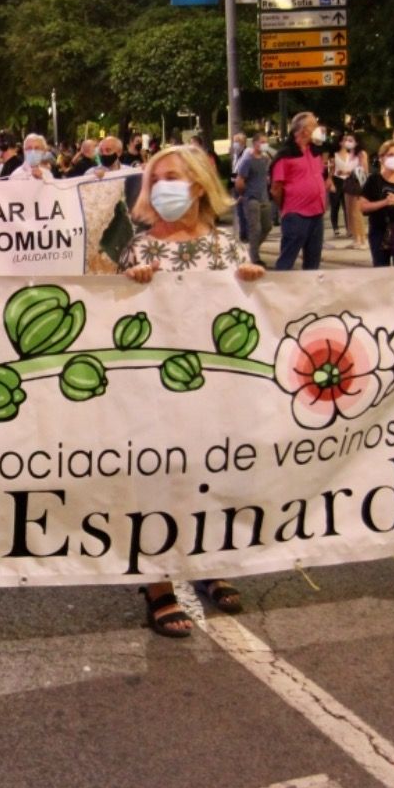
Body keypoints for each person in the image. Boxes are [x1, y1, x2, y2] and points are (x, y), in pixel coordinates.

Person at [118, 145, 263, 629]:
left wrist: (253, 283)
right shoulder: (139, 249)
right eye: (155, 179)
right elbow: (117, 322)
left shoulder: (227, 248)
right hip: (154, 388)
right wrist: (131, 284)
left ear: (199, 185)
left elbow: (253, 315)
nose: (162, 188)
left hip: (215, 387)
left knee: (212, 472)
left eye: (172, 177)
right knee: (157, 479)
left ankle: (210, 564)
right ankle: (157, 582)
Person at [270, 112, 330, 271]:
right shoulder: (285, 155)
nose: (318, 129)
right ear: (304, 130)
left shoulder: (314, 151)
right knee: (288, 258)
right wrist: (286, 208)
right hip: (296, 214)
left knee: (313, 259)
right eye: (314, 126)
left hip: (317, 212)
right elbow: (276, 189)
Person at [232, 134, 275, 266]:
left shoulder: (265, 158)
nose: (264, 145)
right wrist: (243, 194)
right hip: (251, 198)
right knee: (255, 228)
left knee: (267, 226)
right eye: (262, 142)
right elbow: (239, 181)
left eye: (266, 142)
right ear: (255, 143)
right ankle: (254, 258)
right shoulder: (247, 160)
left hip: (264, 197)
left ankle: (252, 249)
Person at [331, 133, 368, 249]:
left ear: (356, 142)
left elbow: (363, 170)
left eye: (350, 140)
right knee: (350, 212)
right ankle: (356, 238)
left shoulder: (361, 153)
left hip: (357, 184)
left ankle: (363, 239)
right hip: (348, 183)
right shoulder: (350, 154)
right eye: (346, 139)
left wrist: (348, 172)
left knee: (357, 213)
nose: (347, 142)